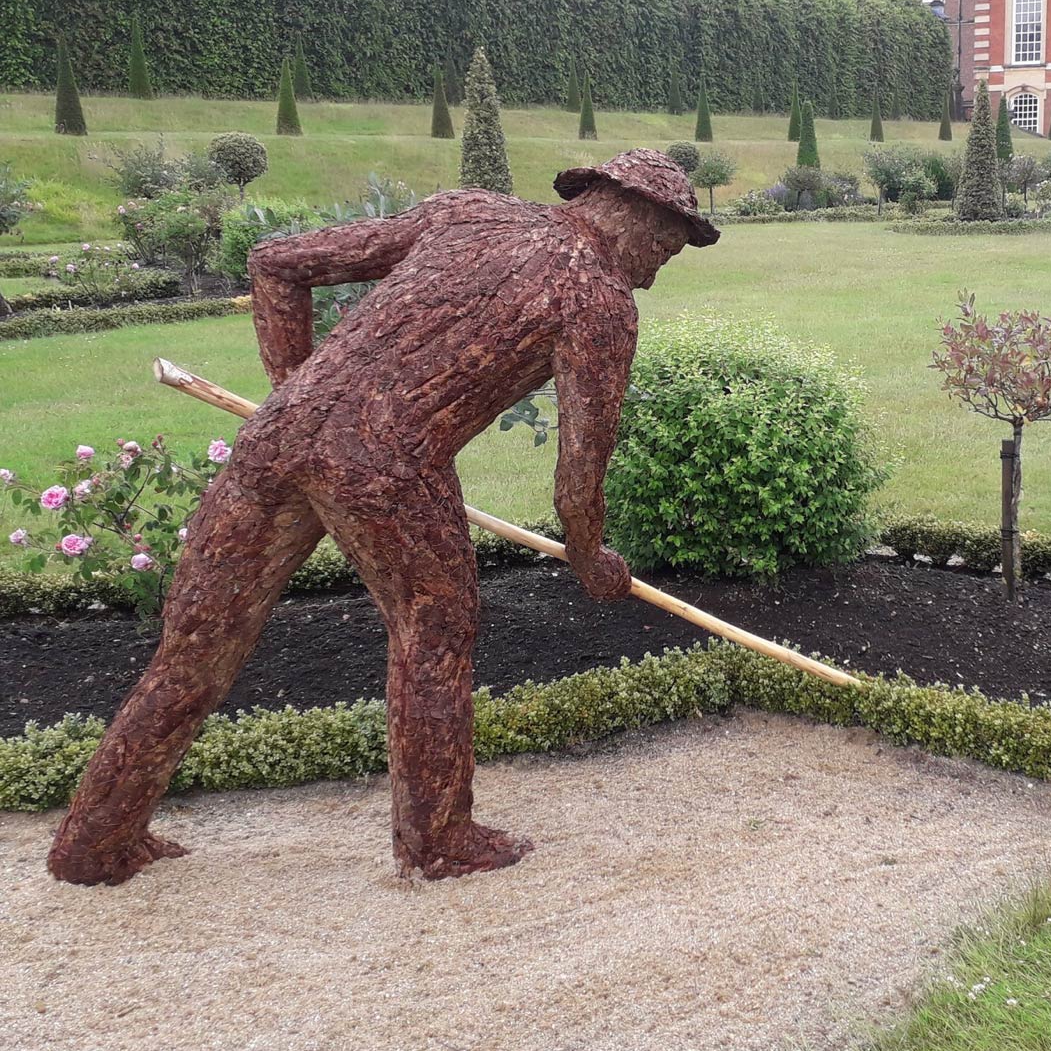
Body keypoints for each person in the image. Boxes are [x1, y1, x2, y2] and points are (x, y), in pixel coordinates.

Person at [48, 149, 718, 886]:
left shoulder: (469, 212)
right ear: (634, 216)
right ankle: (437, 838)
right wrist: (591, 558)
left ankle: (97, 839)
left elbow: (277, 264)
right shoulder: (597, 303)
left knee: (197, 648)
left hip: (275, 442)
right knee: (436, 629)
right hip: (389, 466)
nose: (659, 266)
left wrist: (297, 394)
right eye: (667, 244)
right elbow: (578, 476)